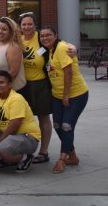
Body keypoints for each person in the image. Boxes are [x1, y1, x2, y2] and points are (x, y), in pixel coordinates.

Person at [39, 26, 89, 174]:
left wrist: (66, 95)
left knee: (66, 126)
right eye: (42, 36)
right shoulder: (49, 51)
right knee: (57, 125)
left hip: (75, 95)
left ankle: (62, 159)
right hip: (57, 95)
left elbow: (68, 72)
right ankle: (72, 156)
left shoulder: (61, 48)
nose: (45, 38)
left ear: (56, 35)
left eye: (48, 35)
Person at [0, 70, 41, 173]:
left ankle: (25, 157)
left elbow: (14, 126)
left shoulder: (16, 99)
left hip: (27, 137)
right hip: (8, 135)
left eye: (1, 82)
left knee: (2, 148)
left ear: (9, 84)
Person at [19, 13, 53, 164]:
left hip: (40, 84)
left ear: (35, 25)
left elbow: (57, 44)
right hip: (23, 85)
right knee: (24, 119)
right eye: (24, 24)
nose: (26, 27)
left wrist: (72, 48)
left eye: (29, 24)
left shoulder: (41, 38)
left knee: (43, 117)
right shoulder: (17, 39)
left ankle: (43, 152)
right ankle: (25, 149)